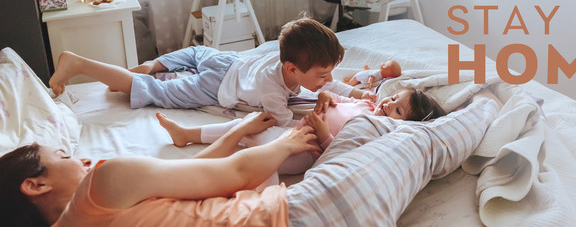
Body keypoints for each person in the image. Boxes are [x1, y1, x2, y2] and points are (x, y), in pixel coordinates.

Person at [0, 90, 501, 227]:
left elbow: (189, 178)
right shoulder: (103, 184)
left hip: (297, 202)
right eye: (64, 153)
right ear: (35, 184)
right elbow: (234, 174)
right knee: (415, 144)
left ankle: (411, 116)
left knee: (369, 126)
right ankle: (492, 102)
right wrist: (282, 145)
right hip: (303, 215)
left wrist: (241, 129)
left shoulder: (97, 213)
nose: (81, 157)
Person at [48, 17, 376, 127]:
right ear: (292, 68)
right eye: (323, 75)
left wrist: (358, 93)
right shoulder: (273, 90)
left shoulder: (288, 65)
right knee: (152, 91)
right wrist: (319, 117)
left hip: (227, 60)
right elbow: (288, 123)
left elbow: (323, 83)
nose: (328, 80)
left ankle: (160, 63)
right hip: (216, 85)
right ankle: (80, 63)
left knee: (195, 52)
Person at [155, 88, 444, 176]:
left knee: (252, 143)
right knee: (252, 121)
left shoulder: (377, 130)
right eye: (393, 98)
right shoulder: (367, 103)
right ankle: (187, 134)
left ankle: (214, 168)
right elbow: (334, 96)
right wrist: (326, 97)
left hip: (308, 150)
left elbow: (342, 152)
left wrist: (322, 134)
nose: (387, 105)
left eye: (397, 110)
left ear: (401, 124)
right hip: (297, 127)